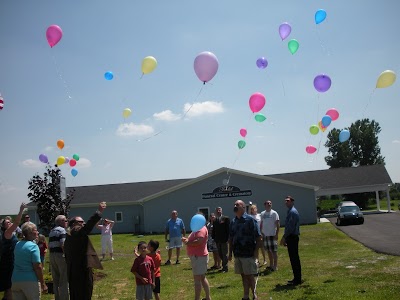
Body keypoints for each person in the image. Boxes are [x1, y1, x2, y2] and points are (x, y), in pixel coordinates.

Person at [64, 202, 106, 300]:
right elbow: (87, 227)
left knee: (76, 294)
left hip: (73, 269)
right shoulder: (75, 231)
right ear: (74, 224)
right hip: (81, 270)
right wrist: (98, 212)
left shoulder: (70, 235)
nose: (83, 223)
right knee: (84, 293)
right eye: (81, 222)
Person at [228, 200, 262, 300]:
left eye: (237, 205)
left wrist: (256, 252)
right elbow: (231, 238)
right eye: (234, 204)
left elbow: (258, 237)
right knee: (243, 275)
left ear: (243, 207)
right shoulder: (233, 221)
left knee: (250, 275)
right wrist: (230, 253)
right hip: (238, 253)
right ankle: (246, 295)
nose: (235, 206)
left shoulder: (250, 220)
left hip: (248, 253)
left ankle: (255, 295)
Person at [12, 222, 48, 299]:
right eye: (36, 230)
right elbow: (37, 267)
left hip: (15, 280)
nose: (38, 232)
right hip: (30, 281)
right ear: (30, 233)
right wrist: (43, 283)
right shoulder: (33, 246)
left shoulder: (17, 244)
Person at [182, 214, 211, 300]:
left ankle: (197, 298)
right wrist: (187, 240)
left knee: (197, 280)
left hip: (199, 257)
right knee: (202, 277)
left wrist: (188, 242)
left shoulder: (201, 229)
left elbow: (199, 241)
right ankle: (207, 297)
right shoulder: (198, 228)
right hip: (198, 256)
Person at [1, 203, 26, 300]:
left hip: (10, 260)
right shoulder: (7, 232)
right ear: (4, 226)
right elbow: (16, 223)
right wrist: (21, 210)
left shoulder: (9, 233)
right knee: (9, 286)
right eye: (7, 222)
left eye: (9, 222)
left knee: (9, 287)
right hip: (8, 261)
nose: (10, 223)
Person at [280, 196, 302, 286]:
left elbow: (290, 227)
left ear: (292, 202)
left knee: (294, 258)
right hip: (291, 237)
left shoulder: (292, 212)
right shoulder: (290, 211)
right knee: (293, 258)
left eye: (288, 201)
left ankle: (297, 279)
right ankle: (296, 278)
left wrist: (284, 237)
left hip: (292, 237)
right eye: (285, 201)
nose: (286, 203)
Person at [49, 214, 69, 300]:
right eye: (65, 220)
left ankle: (57, 297)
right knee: (64, 278)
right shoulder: (62, 231)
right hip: (60, 255)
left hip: (52, 255)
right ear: (61, 222)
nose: (67, 222)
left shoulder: (52, 231)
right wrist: (66, 255)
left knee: (56, 279)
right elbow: (63, 244)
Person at [260, 200, 280, 271]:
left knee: (274, 251)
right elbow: (261, 223)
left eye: (270, 203)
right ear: (264, 205)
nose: (269, 204)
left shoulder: (274, 213)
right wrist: (261, 232)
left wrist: (277, 234)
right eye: (267, 203)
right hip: (265, 235)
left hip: (272, 235)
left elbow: (278, 225)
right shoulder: (262, 214)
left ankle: (275, 266)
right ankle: (271, 265)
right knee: (268, 251)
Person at [212, 207, 230, 273]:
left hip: (224, 239)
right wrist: (213, 237)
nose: (218, 211)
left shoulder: (225, 218)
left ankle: (225, 267)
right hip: (217, 240)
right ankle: (224, 265)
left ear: (221, 211)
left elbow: (228, 229)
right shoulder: (215, 220)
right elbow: (214, 229)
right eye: (217, 210)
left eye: (219, 210)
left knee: (224, 253)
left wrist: (228, 238)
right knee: (220, 254)